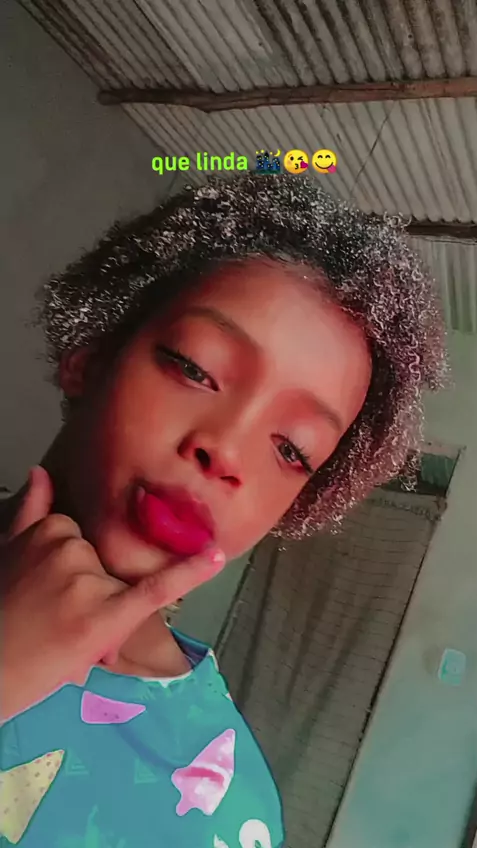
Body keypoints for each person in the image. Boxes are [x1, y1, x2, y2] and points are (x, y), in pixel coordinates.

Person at [0, 173, 447, 847]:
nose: (227, 451)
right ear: (92, 354)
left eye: (293, 449)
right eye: (195, 368)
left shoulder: (224, 808)